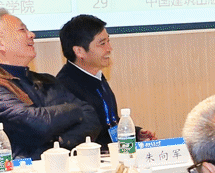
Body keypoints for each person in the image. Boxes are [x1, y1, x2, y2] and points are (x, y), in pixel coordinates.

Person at [0, 8, 101, 159]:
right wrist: (76, 110)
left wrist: (58, 144)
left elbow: (91, 118)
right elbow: (36, 124)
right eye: (22, 30)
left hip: (57, 166)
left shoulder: (46, 80)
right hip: (16, 171)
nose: (31, 35)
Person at [45, 13, 156, 149]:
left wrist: (135, 134)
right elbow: (77, 141)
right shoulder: (64, 88)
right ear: (79, 51)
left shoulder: (96, 76)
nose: (109, 48)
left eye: (108, 41)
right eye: (102, 44)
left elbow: (108, 123)